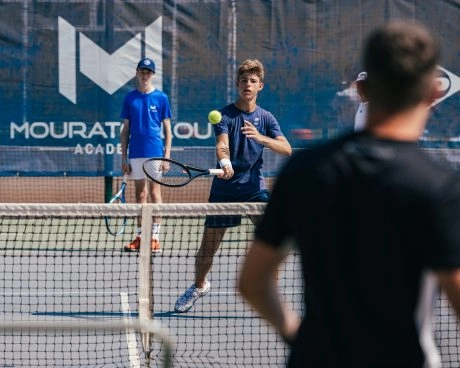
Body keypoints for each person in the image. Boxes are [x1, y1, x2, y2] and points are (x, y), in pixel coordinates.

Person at [238, 21, 460, 368]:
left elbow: (252, 282)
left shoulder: (304, 171)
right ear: (433, 93)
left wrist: (298, 334)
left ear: (362, 88)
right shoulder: (440, 185)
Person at [174, 58, 292, 313]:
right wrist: (224, 160)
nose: (247, 85)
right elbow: (221, 143)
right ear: (237, 84)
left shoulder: (266, 118)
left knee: (274, 240)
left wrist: (262, 138)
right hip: (224, 191)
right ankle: (199, 285)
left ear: (261, 86)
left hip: (254, 189)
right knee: (208, 247)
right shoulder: (224, 115)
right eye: (243, 81)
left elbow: (287, 149)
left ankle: (270, 293)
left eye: (253, 81)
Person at [120, 57, 172, 252]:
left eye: (148, 72)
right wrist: (123, 158)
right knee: (140, 195)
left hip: (155, 153)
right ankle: (141, 236)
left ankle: (155, 238)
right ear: (137, 73)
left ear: (152, 75)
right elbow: (125, 131)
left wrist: (166, 155)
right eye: (142, 71)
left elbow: (168, 130)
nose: (145, 75)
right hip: (135, 153)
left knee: (154, 193)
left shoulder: (161, 98)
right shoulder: (130, 98)